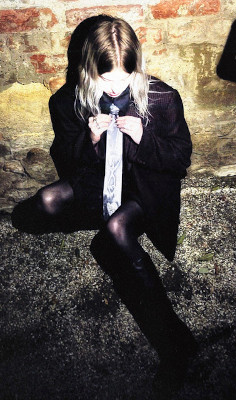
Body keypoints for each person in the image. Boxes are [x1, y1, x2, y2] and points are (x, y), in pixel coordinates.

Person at [11, 15, 198, 392]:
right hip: (98, 180)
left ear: (136, 68)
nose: (114, 89)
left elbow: (180, 161)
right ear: (87, 70)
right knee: (45, 201)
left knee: (116, 231)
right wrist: (91, 141)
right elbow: (66, 159)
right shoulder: (67, 100)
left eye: (123, 80)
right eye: (104, 80)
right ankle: (90, 219)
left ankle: (176, 345)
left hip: (143, 189)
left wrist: (145, 138)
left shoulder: (162, 98)